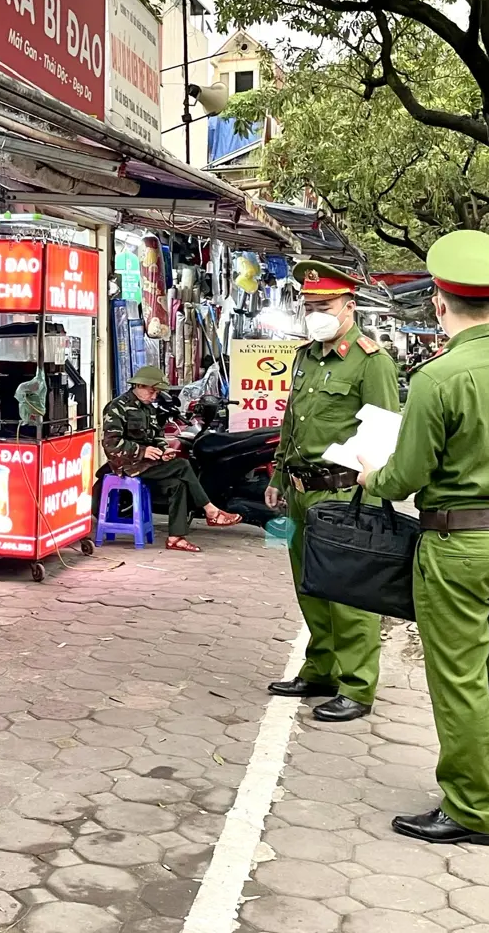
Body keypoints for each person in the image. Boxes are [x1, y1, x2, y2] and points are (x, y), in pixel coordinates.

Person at [357, 230, 489, 846]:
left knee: (459, 678)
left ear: (439, 304)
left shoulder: (439, 378)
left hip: (458, 548)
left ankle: (471, 810)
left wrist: (371, 474)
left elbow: (405, 476)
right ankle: (482, 782)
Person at [264, 261, 400, 723]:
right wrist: (278, 477)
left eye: (324, 306)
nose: (314, 313)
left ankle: (357, 685)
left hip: (342, 492)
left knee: (349, 593)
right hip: (301, 490)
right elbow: (291, 422)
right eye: (308, 306)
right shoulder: (305, 356)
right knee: (312, 587)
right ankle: (320, 668)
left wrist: (373, 492)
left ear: (349, 306)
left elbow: (382, 434)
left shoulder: (370, 361)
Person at [101, 366, 241, 553]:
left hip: (149, 463)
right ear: (139, 385)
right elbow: (111, 444)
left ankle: (176, 538)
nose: (154, 396)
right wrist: (142, 451)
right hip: (129, 465)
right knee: (182, 465)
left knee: (178, 484)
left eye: (156, 392)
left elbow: (156, 434)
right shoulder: (117, 407)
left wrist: (162, 449)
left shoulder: (149, 408)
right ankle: (211, 511)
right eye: (152, 391)